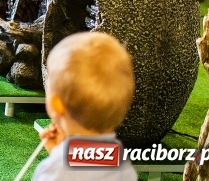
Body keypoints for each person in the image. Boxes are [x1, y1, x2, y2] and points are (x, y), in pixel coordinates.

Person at [33, 32, 137, 180]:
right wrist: (59, 153)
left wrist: (59, 159)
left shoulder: (53, 172)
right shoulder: (122, 163)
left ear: (56, 104)